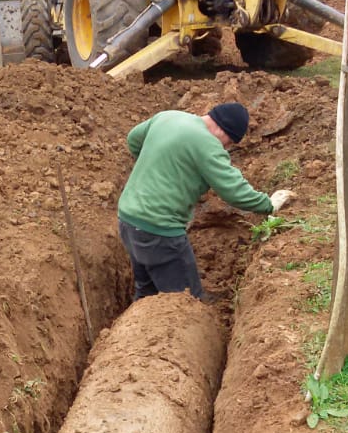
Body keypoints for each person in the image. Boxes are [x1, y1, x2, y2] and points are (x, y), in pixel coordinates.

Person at [117, 101, 294, 301]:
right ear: (222, 129)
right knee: (185, 300)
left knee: (146, 291)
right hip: (159, 230)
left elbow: (133, 139)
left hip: (128, 220)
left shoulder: (169, 116)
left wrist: (160, 166)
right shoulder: (207, 143)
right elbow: (233, 189)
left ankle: (138, 330)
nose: (226, 148)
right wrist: (267, 205)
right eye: (229, 142)